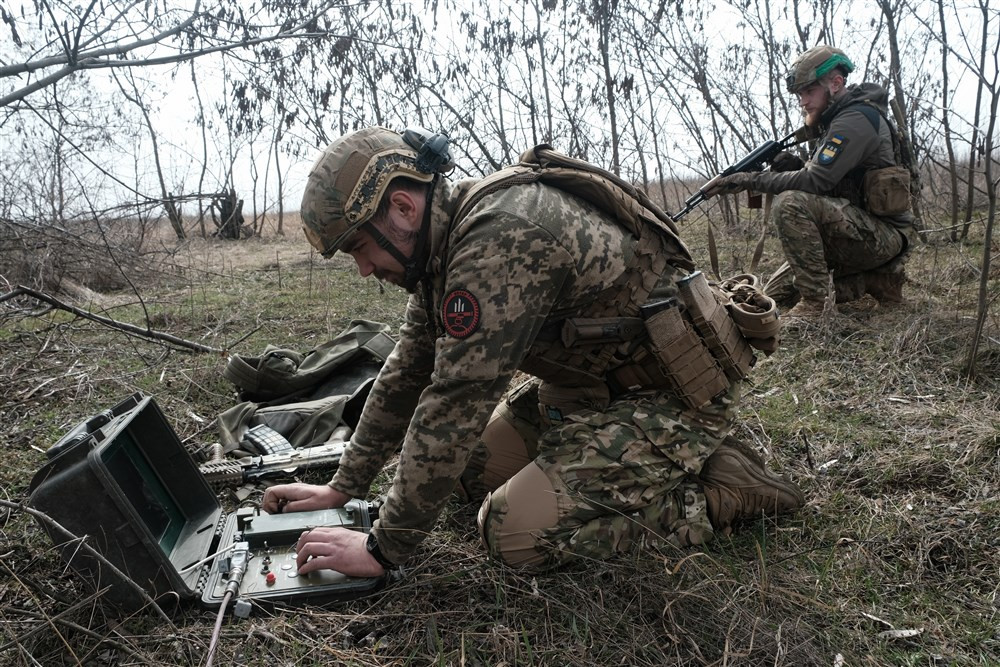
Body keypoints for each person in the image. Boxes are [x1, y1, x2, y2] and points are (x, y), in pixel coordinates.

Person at [262, 126, 804, 578]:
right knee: (474, 469)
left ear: (402, 207)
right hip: (594, 390)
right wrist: (344, 485)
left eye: (360, 246)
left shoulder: (500, 235)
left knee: (512, 533)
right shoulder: (443, 245)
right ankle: (635, 466)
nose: (363, 268)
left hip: (673, 396)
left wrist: (383, 548)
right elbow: (409, 368)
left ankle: (717, 494)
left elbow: (457, 397)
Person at [706, 45, 917, 319]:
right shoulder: (837, 119)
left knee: (790, 203)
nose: (803, 101)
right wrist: (794, 165)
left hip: (885, 235)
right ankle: (877, 281)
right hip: (860, 228)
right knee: (778, 292)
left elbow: (817, 180)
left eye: (809, 91)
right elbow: (832, 180)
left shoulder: (855, 120)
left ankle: (818, 305)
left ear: (836, 83)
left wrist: (752, 180)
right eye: (800, 94)